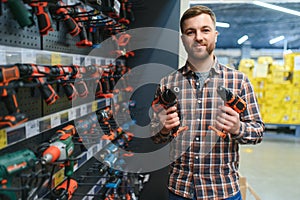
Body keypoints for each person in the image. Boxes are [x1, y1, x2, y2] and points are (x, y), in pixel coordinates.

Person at [150, 5, 264, 200]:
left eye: (205, 30)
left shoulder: (238, 81)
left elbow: (258, 132)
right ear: (183, 39)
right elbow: (156, 136)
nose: (199, 37)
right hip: (180, 190)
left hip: (223, 191)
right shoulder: (167, 83)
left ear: (215, 35)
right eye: (190, 32)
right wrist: (162, 129)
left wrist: (237, 128)